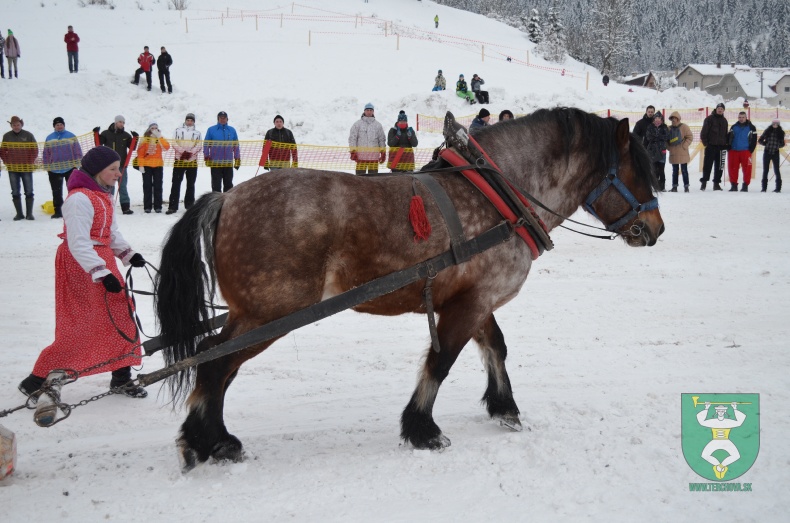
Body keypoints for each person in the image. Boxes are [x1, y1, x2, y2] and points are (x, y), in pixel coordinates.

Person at [17, 147, 149, 402]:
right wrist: (101, 272)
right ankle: (35, 380)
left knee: (121, 316)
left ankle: (121, 377)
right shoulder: (78, 199)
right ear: (98, 170)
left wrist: (128, 254)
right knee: (82, 325)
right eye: (113, 169)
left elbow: (110, 233)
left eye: (119, 168)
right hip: (81, 266)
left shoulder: (103, 196)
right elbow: (78, 242)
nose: (118, 174)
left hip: (101, 262)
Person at [96, 115, 137, 214]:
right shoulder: (106, 133)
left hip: (122, 165)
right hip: (109, 165)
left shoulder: (126, 135)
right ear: (115, 122)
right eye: (120, 122)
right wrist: (96, 134)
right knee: (110, 185)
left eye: (123, 122)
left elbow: (133, 147)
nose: (122, 124)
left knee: (122, 186)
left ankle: (125, 207)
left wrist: (136, 138)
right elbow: (98, 144)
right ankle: (108, 205)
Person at [43, 117, 83, 218]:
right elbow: (46, 153)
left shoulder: (71, 136)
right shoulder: (49, 138)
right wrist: (47, 166)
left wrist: (77, 164)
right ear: (54, 126)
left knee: (73, 190)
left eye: (61, 124)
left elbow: (77, 150)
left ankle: (73, 210)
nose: (59, 126)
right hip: (54, 169)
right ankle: (58, 211)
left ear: (64, 125)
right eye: (57, 125)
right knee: (56, 191)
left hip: (70, 167)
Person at [0, 116, 38, 220]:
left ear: (21, 124)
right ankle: (19, 214)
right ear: (11, 126)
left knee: (29, 190)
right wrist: (7, 162)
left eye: (18, 125)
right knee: (15, 191)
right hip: (13, 168)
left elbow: (34, 149)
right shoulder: (7, 136)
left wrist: (30, 162)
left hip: (26, 168)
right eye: (14, 125)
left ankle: (29, 214)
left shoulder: (28, 135)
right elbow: (2, 151)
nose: (16, 127)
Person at [167, 113, 202, 214]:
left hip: (192, 161)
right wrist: (183, 152)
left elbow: (199, 145)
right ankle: (172, 206)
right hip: (179, 160)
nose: (189, 122)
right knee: (176, 183)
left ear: (194, 122)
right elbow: (174, 142)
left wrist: (190, 153)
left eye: (191, 120)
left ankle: (189, 205)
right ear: (185, 120)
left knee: (191, 184)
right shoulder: (177, 130)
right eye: (188, 120)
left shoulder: (197, 133)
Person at [136, 122, 170, 212]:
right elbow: (140, 154)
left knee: (158, 186)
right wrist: (141, 165)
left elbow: (167, 147)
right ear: (149, 129)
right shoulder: (144, 139)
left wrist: (160, 137)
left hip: (158, 165)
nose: (154, 130)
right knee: (147, 186)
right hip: (147, 165)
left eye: (156, 128)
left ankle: (158, 206)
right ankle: (147, 206)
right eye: (152, 128)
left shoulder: (160, 138)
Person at [203, 111, 240, 192]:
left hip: (228, 162)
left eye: (224, 118)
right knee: (216, 186)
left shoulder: (232, 130)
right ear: (218, 119)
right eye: (221, 118)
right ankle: (216, 200)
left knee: (228, 186)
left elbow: (236, 145)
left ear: (227, 119)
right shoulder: (211, 130)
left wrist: (237, 159)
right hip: (215, 162)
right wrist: (206, 157)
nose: (222, 119)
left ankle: (228, 200)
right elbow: (206, 144)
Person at [348, 103, 386, 176]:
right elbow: (352, 138)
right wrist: (353, 151)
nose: (369, 112)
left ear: (373, 112)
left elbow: (381, 139)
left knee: (373, 178)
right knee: (359, 178)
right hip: (361, 157)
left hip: (374, 157)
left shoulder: (378, 125)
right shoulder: (357, 124)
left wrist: (383, 152)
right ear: (364, 111)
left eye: (371, 110)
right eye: (367, 110)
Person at [699, 103, 729, 191]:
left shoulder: (724, 121)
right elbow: (703, 133)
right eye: (718, 108)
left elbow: (725, 133)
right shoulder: (709, 119)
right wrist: (706, 144)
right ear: (716, 109)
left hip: (721, 147)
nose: (720, 110)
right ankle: (704, 183)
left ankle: (716, 184)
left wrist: (726, 143)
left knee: (720, 166)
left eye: (722, 109)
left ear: (723, 110)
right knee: (707, 165)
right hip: (711, 146)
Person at [726, 111, 757, 192]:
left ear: (746, 118)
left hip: (745, 151)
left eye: (743, 117)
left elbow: (754, 139)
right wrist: (728, 147)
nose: (741, 119)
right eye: (739, 117)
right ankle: (734, 185)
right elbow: (729, 137)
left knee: (747, 169)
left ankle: (745, 185)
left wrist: (751, 150)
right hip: (734, 150)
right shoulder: (734, 127)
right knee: (732, 168)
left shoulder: (751, 127)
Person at [666, 111, 693, 192]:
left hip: (682, 151)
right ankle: (674, 187)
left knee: (684, 170)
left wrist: (684, 145)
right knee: (675, 171)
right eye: (672, 118)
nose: (674, 120)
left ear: (678, 118)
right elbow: (666, 140)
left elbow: (690, 137)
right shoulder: (669, 128)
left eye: (675, 118)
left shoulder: (684, 127)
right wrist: (669, 148)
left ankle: (686, 186)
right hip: (674, 152)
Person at [757, 118, 785, 193]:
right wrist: (765, 144)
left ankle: (778, 188)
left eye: (776, 124)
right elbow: (760, 140)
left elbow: (782, 143)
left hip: (775, 152)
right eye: (774, 124)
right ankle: (764, 188)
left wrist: (778, 145)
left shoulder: (781, 133)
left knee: (777, 170)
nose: (775, 125)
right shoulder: (767, 131)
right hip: (767, 152)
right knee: (765, 170)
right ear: (772, 124)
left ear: (778, 125)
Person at [645, 113, 669, 191]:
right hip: (653, 151)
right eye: (656, 118)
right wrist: (659, 137)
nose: (657, 120)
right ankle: (655, 186)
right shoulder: (650, 127)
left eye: (659, 118)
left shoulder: (664, 127)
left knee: (661, 169)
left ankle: (662, 186)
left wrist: (656, 137)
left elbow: (666, 137)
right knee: (654, 170)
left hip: (662, 151)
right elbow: (649, 137)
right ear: (653, 119)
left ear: (662, 119)